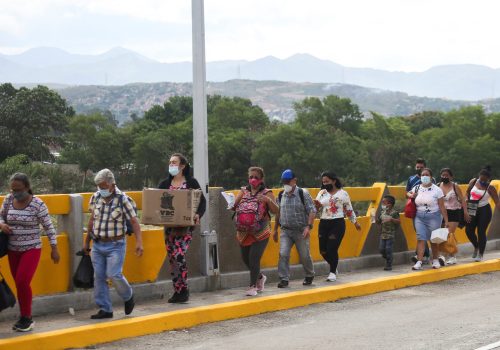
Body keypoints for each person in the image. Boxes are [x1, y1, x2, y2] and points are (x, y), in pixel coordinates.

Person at [0, 173, 60, 332]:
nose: (15, 193)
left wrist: (54, 248)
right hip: (13, 249)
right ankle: (23, 317)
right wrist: (2, 225)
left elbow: (49, 227)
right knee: (20, 284)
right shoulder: (8, 200)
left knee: (22, 281)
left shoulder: (38, 205)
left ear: (27, 188)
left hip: (31, 249)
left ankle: (27, 317)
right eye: (12, 189)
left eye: (18, 189)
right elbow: (1, 216)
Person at [84, 169, 143, 319]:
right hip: (97, 244)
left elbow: (134, 222)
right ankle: (105, 309)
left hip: (115, 244)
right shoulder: (95, 197)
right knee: (99, 277)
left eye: (103, 187)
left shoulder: (123, 199)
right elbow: (92, 220)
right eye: (99, 186)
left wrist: (139, 242)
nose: (101, 189)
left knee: (114, 274)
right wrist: (86, 242)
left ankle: (128, 296)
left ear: (112, 184)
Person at [158, 153, 206, 303]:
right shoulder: (165, 184)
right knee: (172, 259)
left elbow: (202, 202)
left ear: (182, 166)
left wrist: (198, 214)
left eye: (174, 162)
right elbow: (156, 202)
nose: (171, 165)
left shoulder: (191, 182)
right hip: (170, 228)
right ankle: (177, 291)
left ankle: (184, 289)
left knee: (179, 255)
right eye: (170, 162)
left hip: (185, 228)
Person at [233, 167, 278, 296]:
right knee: (245, 258)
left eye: (256, 177)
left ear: (261, 179)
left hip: (261, 230)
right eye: (250, 177)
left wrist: (268, 201)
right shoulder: (243, 192)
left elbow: (276, 211)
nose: (252, 179)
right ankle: (260, 277)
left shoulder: (267, 193)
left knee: (254, 258)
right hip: (243, 231)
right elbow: (234, 207)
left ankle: (253, 287)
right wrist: (231, 202)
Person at [313, 172, 361, 282]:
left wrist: (355, 222)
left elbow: (349, 209)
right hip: (324, 222)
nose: (325, 184)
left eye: (327, 181)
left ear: (334, 181)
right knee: (323, 251)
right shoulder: (322, 193)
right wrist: (317, 206)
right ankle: (333, 266)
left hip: (337, 223)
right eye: (323, 182)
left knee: (331, 248)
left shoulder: (343, 194)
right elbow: (316, 208)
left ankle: (332, 272)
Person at [273, 169, 316, 288]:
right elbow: (278, 212)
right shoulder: (281, 195)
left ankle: (309, 274)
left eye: (288, 181)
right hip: (286, 230)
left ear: (294, 181)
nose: (286, 184)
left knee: (304, 255)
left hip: (301, 230)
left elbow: (312, 210)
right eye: (284, 182)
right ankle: (284, 278)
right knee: (283, 254)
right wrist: (275, 229)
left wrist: (308, 226)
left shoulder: (303, 193)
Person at [407, 168, 449, 270]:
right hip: (419, 216)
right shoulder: (417, 188)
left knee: (433, 239)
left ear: (431, 177)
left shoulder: (437, 190)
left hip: (434, 217)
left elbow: (442, 206)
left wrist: (446, 220)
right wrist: (411, 195)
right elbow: (407, 193)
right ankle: (419, 262)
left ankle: (435, 260)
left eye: (427, 175)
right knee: (421, 238)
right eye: (423, 175)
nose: (424, 177)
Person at [464, 166, 499, 262]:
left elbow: (497, 202)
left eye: (485, 180)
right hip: (472, 208)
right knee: (469, 230)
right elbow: (467, 193)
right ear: (479, 176)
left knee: (481, 232)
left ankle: (480, 254)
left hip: (484, 210)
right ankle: (476, 246)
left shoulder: (490, 188)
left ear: (488, 179)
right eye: (481, 179)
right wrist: (466, 199)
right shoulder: (473, 181)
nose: (482, 181)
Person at [438, 168, 469, 265]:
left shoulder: (455, 187)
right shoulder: (439, 186)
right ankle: (445, 255)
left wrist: (465, 212)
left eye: (447, 175)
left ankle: (449, 256)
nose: (444, 177)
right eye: (443, 175)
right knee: (442, 235)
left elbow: (463, 200)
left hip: (454, 212)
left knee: (449, 233)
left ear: (451, 177)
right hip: (442, 213)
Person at [406, 158, 431, 264]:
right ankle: (424, 254)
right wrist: (411, 195)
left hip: (428, 210)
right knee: (419, 232)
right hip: (415, 209)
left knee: (423, 232)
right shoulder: (411, 179)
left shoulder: (431, 179)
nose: (419, 169)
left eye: (421, 167)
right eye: (417, 167)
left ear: (425, 167)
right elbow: (406, 192)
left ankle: (421, 255)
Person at [376, 195, 400, 271]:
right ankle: (389, 258)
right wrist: (375, 219)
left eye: (384, 203)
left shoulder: (394, 213)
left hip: (390, 235)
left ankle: (389, 264)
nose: (382, 204)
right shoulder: (382, 213)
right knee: (381, 249)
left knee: (388, 249)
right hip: (383, 235)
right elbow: (379, 221)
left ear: (389, 204)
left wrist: (391, 219)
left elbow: (399, 221)